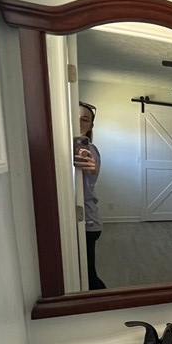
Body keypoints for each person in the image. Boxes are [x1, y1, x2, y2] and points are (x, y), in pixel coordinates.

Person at [73, 101, 106, 289]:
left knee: (88, 276)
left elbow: (89, 164)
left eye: (84, 119)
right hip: (84, 220)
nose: (79, 123)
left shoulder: (89, 149)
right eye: (74, 118)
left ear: (90, 126)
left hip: (87, 222)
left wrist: (88, 164)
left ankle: (108, 308)